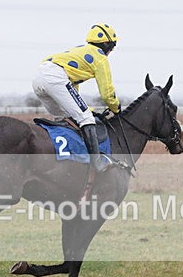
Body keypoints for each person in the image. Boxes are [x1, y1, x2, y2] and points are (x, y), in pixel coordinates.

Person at [32, 23, 121, 171]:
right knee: (87, 119)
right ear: (106, 44)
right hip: (55, 77)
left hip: (39, 77)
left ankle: (66, 159)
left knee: (64, 117)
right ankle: (97, 163)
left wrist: (87, 108)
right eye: (112, 47)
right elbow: (107, 93)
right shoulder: (100, 58)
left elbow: (72, 91)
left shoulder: (81, 50)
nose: (111, 51)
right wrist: (116, 108)